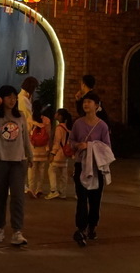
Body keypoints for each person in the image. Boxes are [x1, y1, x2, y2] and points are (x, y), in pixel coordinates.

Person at [0, 85, 32, 246]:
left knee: (18, 197)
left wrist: (30, 155)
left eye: (14, 97)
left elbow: (25, 138)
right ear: (1, 98)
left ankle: (17, 231)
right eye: (8, 97)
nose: (12, 100)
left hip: (18, 162)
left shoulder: (21, 116)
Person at [69, 91, 114, 246]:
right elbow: (71, 140)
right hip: (80, 165)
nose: (86, 104)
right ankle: (80, 229)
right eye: (84, 102)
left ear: (97, 105)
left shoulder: (102, 126)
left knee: (95, 199)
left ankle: (92, 227)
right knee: (81, 198)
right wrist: (77, 146)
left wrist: (90, 145)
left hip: (96, 167)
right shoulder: (77, 123)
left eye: (89, 102)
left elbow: (107, 148)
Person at [45, 108, 74, 199]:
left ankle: (53, 190)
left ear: (60, 116)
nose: (55, 114)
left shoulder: (59, 128)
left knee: (51, 170)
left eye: (57, 113)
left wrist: (52, 153)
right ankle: (63, 192)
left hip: (58, 153)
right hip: (65, 154)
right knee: (63, 173)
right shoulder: (69, 128)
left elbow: (57, 142)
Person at [27, 107, 52, 198]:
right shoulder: (47, 120)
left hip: (33, 149)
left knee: (31, 170)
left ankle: (31, 189)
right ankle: (39, 189)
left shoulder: (30, 119)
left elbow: (27, 133)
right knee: (41, 170)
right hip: (43, 150)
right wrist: (48, 148)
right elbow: (49, 135)